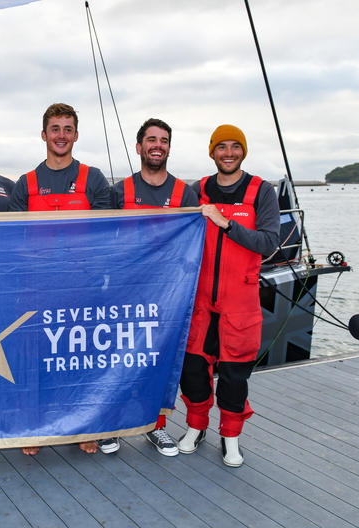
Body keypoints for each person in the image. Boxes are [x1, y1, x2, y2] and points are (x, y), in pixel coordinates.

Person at [9, 102, 111, 456]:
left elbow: (105, 235)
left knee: (78, 360)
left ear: (76, 135)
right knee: (35, 360)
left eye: (68, 129)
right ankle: (35, 427)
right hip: (37, 288)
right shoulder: (26, 184)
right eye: (55, 129)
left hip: (80, 287)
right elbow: (13, 240)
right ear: (44, 135)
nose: (61, 135)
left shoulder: (94, 179)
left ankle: (82, 428)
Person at [177, 124, 280, 467]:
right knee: (193, 371)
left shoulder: (261, 190)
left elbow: (268, 242)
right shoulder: (199, 189)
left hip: (240, 303)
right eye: (222, 147)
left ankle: (231, 436)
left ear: (243, 151)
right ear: (213, 152)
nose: (229, 153)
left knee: (235, 377)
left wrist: (226, 223)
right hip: (201, 301)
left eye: (236, 147)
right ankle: (196, 426)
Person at [110, 118, 199, 457]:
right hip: (126, 291)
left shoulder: (183, 193)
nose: (157, 145)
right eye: (151, 139)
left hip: (165, 296)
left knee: (157, 361)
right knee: (118, 359)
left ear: (169, 148)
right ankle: (112, 425)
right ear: (139, 147)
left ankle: (156, 426)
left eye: (163, 140)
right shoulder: (120, 192)